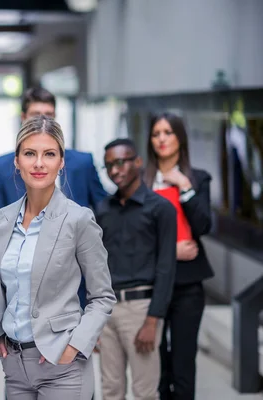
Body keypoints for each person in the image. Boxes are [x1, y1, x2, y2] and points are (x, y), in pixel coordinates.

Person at [0, 115, 116, 400]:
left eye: (49, 154)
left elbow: (103, 296)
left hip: (62, 366)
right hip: (15, 367)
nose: (39, 163)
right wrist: (2, 332)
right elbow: (9, 286)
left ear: (61, 161)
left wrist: (75, 346)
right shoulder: (3, 219)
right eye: (30, 153)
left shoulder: (79, 219)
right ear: (16, 161)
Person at [0, 87, 107, 313]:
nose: (43, 120)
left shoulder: (82, 162)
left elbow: (106, 212)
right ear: (23, 118)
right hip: (21, 281)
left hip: (76, 278)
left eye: (49, 114)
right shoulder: (2, 167)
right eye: (36, 114)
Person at [96, 138, 177, 400]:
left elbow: (166, 267)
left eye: (121, 162)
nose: (115, 170)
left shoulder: (160, 208)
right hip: (106, 310)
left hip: (142, 310)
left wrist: (153, 321)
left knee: (144, 393)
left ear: (138, 162)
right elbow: (94, 265)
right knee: (110, 390)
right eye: (109, 165)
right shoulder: (102, 209)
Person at [144, 113, 214, 400]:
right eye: (156, 133)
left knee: (184, 363)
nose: (161, 139)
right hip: (149, 285)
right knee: (155, 363)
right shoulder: (141, 181)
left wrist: (184, 187)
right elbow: (132, 237)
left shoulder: (197, 179)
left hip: (187, 285)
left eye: (168, 132)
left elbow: (203, 226)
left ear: (180, 138)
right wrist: (169, 251)